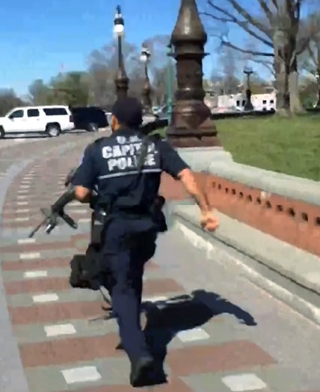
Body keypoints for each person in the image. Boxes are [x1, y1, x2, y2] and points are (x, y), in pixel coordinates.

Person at [69, 96, 219, 387]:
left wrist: (93, 190)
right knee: (132, 275)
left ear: (114, 121)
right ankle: (132, 334)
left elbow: (81, 193)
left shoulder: (98, 150)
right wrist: (206, 210)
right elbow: (186, 175)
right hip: (147, 228)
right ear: (139, 122)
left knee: (121, 288)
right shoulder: (156, 146)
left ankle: (140, 356)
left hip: (116, 228)